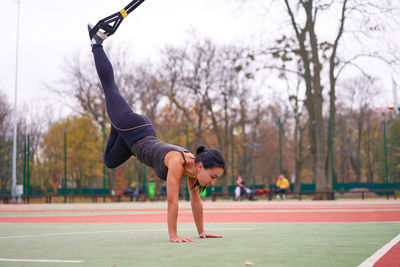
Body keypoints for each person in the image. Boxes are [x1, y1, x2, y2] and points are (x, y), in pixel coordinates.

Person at [88, 24, 226, 242]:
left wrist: (201, 231)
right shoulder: (178, 163)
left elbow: (196, 202)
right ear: (201, 166)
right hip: (135, 129)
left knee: (110, 161)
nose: (213, 181)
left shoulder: (194, 173)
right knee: (110, 88)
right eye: (213, 176)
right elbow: (172, 201)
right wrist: (173, 235)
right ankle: (97, 43)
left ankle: (116, 123)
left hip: (134, 139)